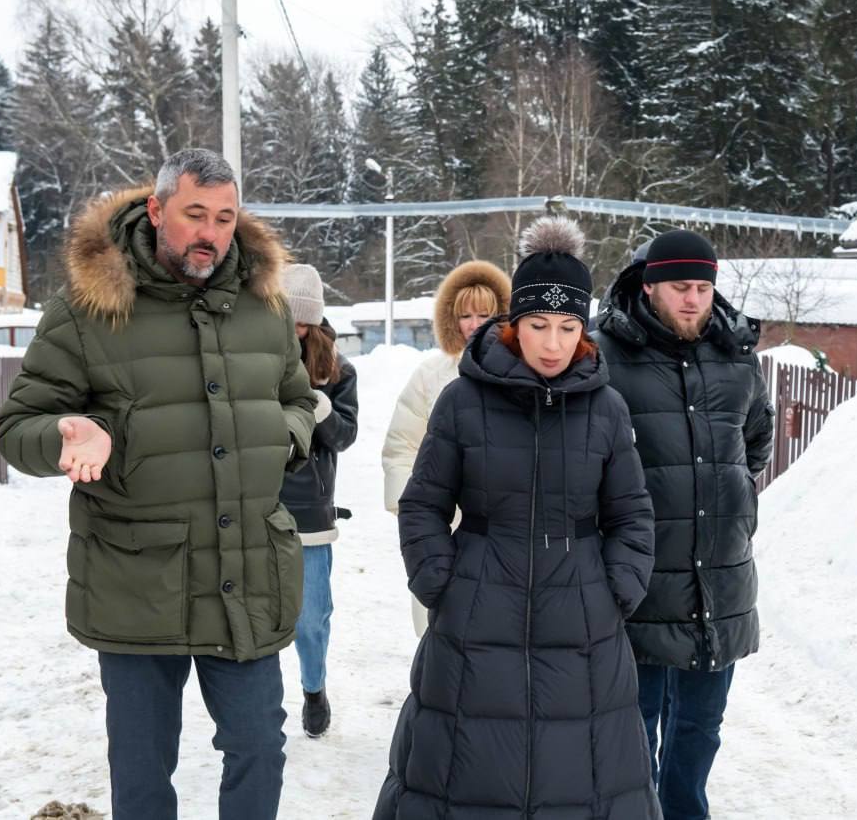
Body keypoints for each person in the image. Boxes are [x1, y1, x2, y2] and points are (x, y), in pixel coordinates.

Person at [0, 149, 317, 820]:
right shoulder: (87, 311)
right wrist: (68, 432)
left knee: (260, 745)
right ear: (156, 210)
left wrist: (287, 437)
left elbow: (299, 398)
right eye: (194, 213)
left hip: (245, 572)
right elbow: (18, 424)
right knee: (143, 772)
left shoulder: (266, 305)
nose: (211, 232)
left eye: (225, 218)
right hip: (137, 581)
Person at [373, 216, 661, 819]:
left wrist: (616, 589)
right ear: (514, 324)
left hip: (584, 619)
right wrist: (440, 583)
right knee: (466, 774)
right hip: (475, 610)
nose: (552, 344)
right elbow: (424, 502)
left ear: (583, 330)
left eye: (566, 327)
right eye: (537, 325)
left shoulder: (606, 409)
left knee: (581, 780)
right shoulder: (462, 399)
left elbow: (632, 513)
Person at [592, 229, 775, 820]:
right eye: (680, 287)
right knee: (632, 728)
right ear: (650, 288)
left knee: (700, 727)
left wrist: (736, 493)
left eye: (703, 286)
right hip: (639, 577)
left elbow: (756, 438)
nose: (694, 299)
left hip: (719, 577)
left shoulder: (736, 355)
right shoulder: (606, 354)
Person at [381, 259, 511, 637]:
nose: (474, 324)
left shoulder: (523, 373)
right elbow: (401, 445)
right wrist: (416, 510)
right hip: (444, 527)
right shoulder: (429, 375)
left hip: (503, 527)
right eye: (465, 314)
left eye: (485, 313)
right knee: (438, 628)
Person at [278, 264, 359, 739]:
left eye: (301, 322)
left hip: (309, 513)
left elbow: (344, 436)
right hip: (255, 508)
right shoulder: (250, 357)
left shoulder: (338, 371)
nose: (292, 331)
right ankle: (263, 701)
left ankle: (314, 688)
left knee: (310, 620)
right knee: (259, 618)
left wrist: (313, 399)